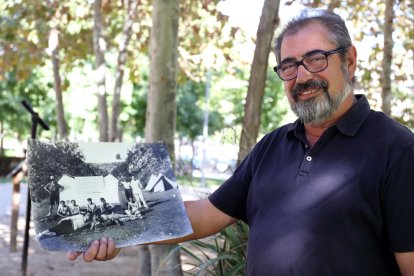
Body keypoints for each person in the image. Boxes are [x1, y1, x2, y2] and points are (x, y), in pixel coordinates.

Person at [68, 9, 414, 275]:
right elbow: (205, 215)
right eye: (289, 66)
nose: (302, 75)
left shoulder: (398, 151)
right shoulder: (272, 146)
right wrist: (117, 229)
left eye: (315, 59)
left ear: (349, 61)